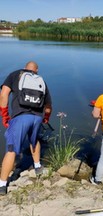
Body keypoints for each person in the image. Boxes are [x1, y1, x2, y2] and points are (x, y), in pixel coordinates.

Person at [0, 61, 52, 195]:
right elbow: (48, 106)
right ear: (37, 70)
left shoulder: (15, 74)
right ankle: (37, 167)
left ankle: (2, 184)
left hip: (20, 117)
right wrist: (46, 118)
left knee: (11, 149)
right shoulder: (41, 81)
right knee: (34, 140)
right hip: (37, 118)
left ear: (24, 68)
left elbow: (3, 94)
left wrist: (5, 115)